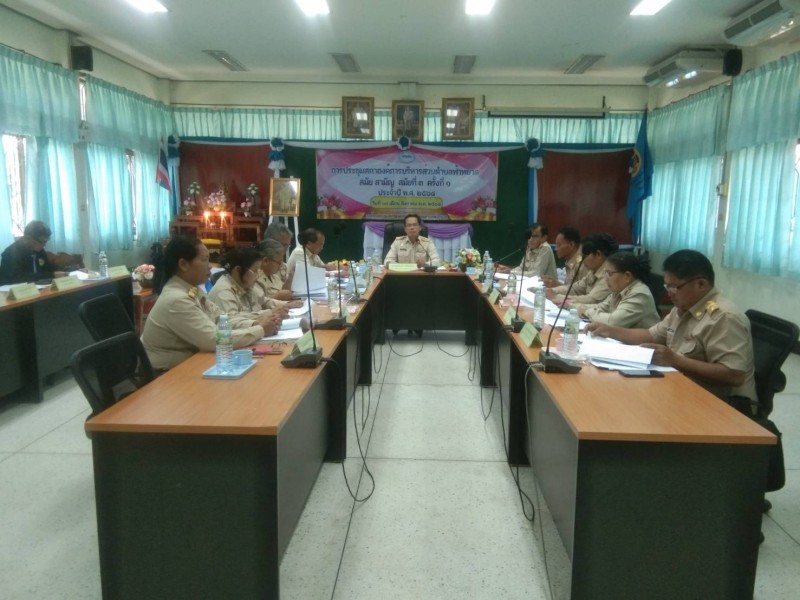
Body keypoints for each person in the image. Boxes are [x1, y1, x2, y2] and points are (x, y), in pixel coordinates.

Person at [586, 249, 757, 405]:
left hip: (725, 404)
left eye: (674, 287)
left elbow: (734, 374)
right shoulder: (683, 307)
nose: (669, 292)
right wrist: (610, 330)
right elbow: (651, 335)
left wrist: (676, 360)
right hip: (683, 389)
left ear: (701, 284)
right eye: (667, 286)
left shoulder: (723, 316)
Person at [141, 236, 277, 371]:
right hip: (167, 374)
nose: (210, 266)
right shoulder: (177, 299)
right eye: (204, 260)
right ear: (183, 264)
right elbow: (213, 340)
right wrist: (260, 330)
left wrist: (256, 323)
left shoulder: (192, 290)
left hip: (191, 364)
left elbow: (222, 318)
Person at [579, 251, 660, 328]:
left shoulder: (639, 294)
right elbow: (601, 307)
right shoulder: (619, 290)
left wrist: (587, 312)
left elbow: (613, 322)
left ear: (627, 276)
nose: (605, 278)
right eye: (605, 273)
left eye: (610, 273)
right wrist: (576, 306)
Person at [208, 247, 289, 320]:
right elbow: (232, 320)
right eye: (255, 270)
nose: (258, 275)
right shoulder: (223, 292)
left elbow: (264, 301)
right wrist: (269, 313)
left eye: (259, 270)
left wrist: (288, 304)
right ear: (238, 270)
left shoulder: (247, 285)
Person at [545, 233, 617, 308]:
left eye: (584, 256)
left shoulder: (609, 275)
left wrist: (556, 297)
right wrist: (551, 291)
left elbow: (591, 300)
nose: (582, 260)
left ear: (598, 254)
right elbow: (575, 289)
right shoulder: (593, 271)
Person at [0, 220, 73, 284]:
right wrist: (52, 275)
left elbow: (48, 268)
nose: (44, 245)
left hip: (37, 289)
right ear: (28, 238)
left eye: (46, 241)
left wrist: (67, 271)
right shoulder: (11, 253)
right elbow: (18, 278)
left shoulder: (39, 250)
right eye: (42, 242)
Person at [254, 239, 304, 309]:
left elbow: (285, 292)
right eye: (279, 262)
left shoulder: (274, 276)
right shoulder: (254, 278)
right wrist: (277, 297)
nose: (281, 264)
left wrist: (291, 276)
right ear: (266, 261)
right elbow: (260, 304)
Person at [262, 221, 294, 301]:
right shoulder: (256, 269)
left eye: (288, 245)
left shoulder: (283, 266)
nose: (285, 249)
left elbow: (285, 292)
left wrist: (291, 277)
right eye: (283, 245)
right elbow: (259, 302)